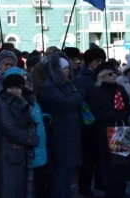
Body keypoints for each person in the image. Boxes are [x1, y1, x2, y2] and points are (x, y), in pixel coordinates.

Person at [89, 62, 130, 198]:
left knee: (123, 160)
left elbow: (127, 105)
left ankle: (122, 189)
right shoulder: (97, 91)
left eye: (115, 73)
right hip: (106, 131)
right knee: (109, 164)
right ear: (102, 76)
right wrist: (114, 115)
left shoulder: (120, 89)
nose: (113, 75)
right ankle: (111, 191)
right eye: (110, 73)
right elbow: (96, 111)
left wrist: (124, 113)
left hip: (122, 129)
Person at [42, 52, 84, 198]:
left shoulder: (67, 84)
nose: (68, 71)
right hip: (59, 134)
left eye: (68, 68)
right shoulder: (50, 86)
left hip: (70, 132)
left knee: (68, 170)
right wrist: (80, 94)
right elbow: (66, 103)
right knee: (60, 171)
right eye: (64, 69)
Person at [0, 74, 39, 198]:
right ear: (5, 89)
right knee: (8, 189)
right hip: (8, 153)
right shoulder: (2, 105)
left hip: (20, 153)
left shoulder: (23, 103)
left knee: (19, 188)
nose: (14, 90)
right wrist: (31, 138)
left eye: (17, 87)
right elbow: (10, 129)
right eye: (11, 87)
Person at [76, 47, 107, 197]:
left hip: (102, 122)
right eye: (97, 61)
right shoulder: (82, 79)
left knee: (101, 155)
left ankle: (101, 182)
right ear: (89, 62)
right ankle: (85, 185)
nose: (99, 64)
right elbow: (81, 101)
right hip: (88, 123)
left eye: (102, 61)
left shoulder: (102, 75)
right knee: (88, 158)